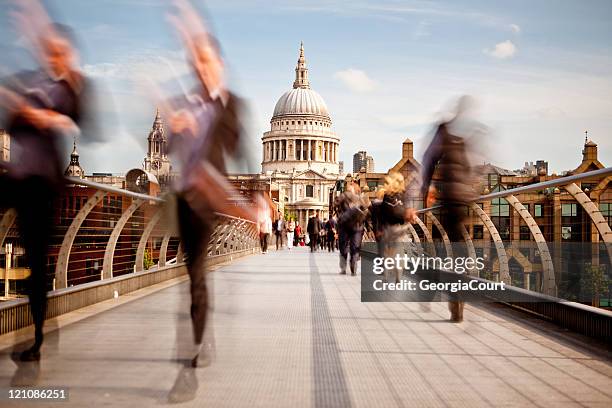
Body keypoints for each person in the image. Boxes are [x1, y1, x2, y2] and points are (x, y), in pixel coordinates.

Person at [0, 4, 93, 362]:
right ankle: (38, 330)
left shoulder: (67, 87)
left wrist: (40, 115)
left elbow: (78, 115)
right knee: (34, 265)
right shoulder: (28, 81)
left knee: (36, 264)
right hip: (19, 180)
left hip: (42, 186)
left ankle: (37, 334)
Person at [411, 95, 481, 323]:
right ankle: (456, 294)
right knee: (459, 251)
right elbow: (473, 167)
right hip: (465, 199)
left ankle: (439, 292)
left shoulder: (444, 130)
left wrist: (426, 188)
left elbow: (429, 158)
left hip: (449, 198)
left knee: (442, 248)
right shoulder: (468, 135)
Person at [335, 183, 368, 275]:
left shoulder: (360, 199)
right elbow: (336, 204)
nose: (349, 191)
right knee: (343, 247)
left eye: (350, 189)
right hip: (346, 226)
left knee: (354, 247)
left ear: (355, 190)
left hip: (356, 227)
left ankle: (353, 264)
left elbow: (366, 212)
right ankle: (344, 267)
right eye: (348, 190)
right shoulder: (343, 198)